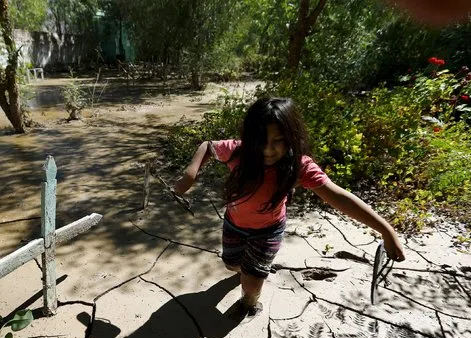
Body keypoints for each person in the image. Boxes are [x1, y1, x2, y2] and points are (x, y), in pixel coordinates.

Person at [173, 97, 406, 319]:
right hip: (234, 224)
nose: (268, 149)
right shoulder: (238, 152)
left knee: (252, 282)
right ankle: (244, 271)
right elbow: (207, 146)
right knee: (232, 264)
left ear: (291, 138)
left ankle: (249, 302)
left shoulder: (299, 166)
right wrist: (189, 173)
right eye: (261, 140)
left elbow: (340, 197)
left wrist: (386, 230)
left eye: (278, 141)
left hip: (268, 232)